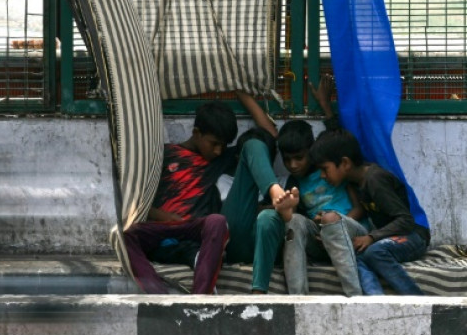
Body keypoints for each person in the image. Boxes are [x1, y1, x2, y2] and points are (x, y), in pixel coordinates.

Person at [121, 92, 286, 294]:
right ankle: (173, 283)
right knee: (134, 236)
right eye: (214, 143)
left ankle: (275, 192)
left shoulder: (220, 159)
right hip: (165, 231)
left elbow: (269, 135)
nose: (218, 150)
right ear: (196, 132)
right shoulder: (164, 154)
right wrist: (169, 219)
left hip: (202, 234)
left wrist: (242, 92)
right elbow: (135, 202)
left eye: (223, 145)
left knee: (253, 145)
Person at [250, 76, 365, 295]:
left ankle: (355, 297)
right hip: (319, 240)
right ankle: (297, 299)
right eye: (287, 160)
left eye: (299, 158)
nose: (293, 165)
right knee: (294, 221)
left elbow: (338, 137)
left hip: (349, 232)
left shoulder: (332, 168)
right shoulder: (294, 183)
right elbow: (269, 129)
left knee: (331, 219)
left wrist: (325, 104)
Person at [293, 128, 429, 295]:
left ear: (345, 163)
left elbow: (405, 220)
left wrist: (372, 237)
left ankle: (416, 299)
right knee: (359, 255)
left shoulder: (374, 179)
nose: (322, 175)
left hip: (413, 235)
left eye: (325, 168)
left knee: (375, 252)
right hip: (387, 237)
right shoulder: (354, 183)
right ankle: (374, 302)